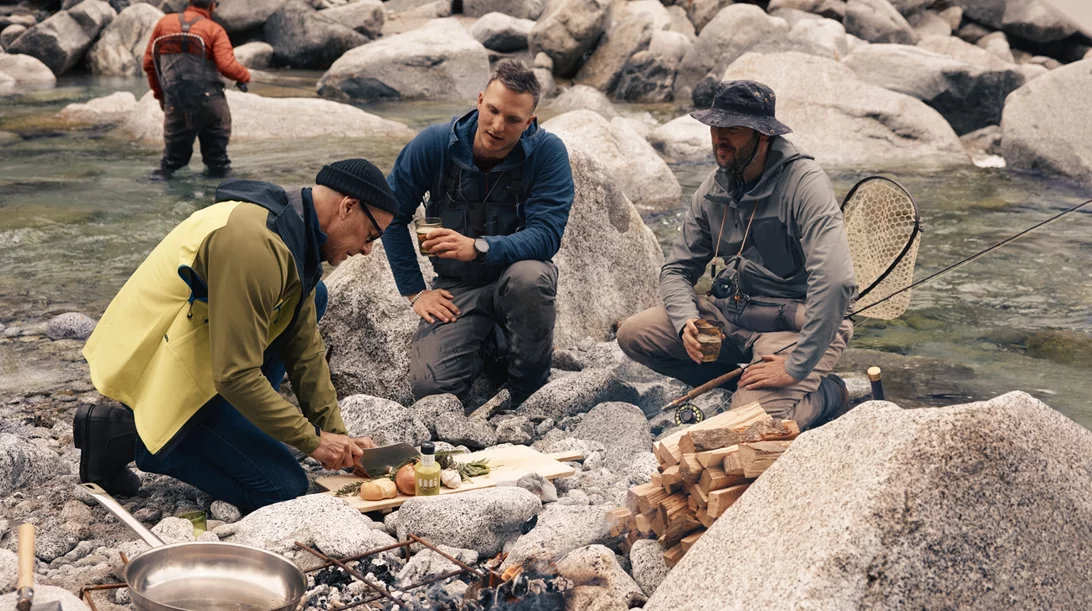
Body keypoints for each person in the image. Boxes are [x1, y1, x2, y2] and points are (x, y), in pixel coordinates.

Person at [76, 159, 398, 513]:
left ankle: (227, 426)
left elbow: (305, 351)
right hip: (158, 373)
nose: (368, 249)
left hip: (208, 360)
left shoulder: (295, 232)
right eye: (371, 235)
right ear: (347, 206)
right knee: (282, 489)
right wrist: (314, 442)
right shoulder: (256, 245)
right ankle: (133, 438)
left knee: (315, 296)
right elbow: (235, 375)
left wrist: (338, 437)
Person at [617, 80, 857, 430]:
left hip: (792, 328)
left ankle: (828, 393)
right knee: (634, 335)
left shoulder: (806, 184)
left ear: (763, 135)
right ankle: (742, 387)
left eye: (733, 129)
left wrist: (797, 367)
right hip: (732, 317)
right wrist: (686, 321)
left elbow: (836, 281)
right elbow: (676, 270)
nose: (720, 137)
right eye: (716, 127)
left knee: (747, 426)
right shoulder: (712, 190)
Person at [383, 59, 575, 409]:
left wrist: (478, 247)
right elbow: (390, 214)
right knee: (432, 390)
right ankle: (495, 340)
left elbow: (546, 235)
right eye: (493, 110)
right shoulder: (434, 144)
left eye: (513, 119)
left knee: (530, 278)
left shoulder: (548, 154)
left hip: (516, 280)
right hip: (457, 288)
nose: (498, 126)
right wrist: (415, 292)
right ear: (480, 100)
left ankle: (527, 393)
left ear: (529, 122)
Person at [142, 0, 250, 178]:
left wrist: (162, 96)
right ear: (212, 5)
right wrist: (244, 76)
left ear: (189, 1)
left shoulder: (164, 23)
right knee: (218, 163)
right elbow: (227, 66)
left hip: (177, 105)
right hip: (211, 104)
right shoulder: (214, 29)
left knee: (170, 164)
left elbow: (149, 64)